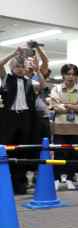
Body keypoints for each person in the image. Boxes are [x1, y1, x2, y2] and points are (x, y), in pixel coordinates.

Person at [0, 49, 41, 195]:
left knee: (23, 150)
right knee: (7, 149)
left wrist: (37, 71)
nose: (20, 69)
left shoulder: (29, 81)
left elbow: (41, 85)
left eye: (23, 67)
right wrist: (13, 54)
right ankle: (6, 182)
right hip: (9, 118)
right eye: (17, 67)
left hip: (25, 118)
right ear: (12, 68)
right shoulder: (6, 78)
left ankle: (21, 183)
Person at [50, 64, 78, 191]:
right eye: (68, 73)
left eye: (73, 74)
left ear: (76, 76)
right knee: (59, 153)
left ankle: (69, 178)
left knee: (75, 155)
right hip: (59, 127)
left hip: (77, 128)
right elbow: (55, 105)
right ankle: (56, 179)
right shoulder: (56, 89)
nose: (71, 76)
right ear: (63, 75)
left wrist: (66, 105)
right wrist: (73, 105)